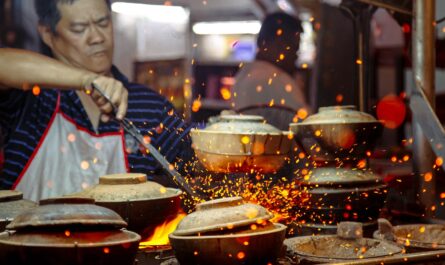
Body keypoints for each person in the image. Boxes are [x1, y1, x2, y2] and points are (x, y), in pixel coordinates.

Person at [0, 0, 194, 201]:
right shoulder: (33, 97)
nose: (97, 37)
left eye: (103, 23)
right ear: (48, 34)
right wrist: (87, 80)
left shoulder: (150, 107)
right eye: (79, 29)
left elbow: (196, 166)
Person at [230, 12, 309, 129]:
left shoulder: (243, 75)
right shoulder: (278, 80)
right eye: (293, 48)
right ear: (272, 44)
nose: (296, 56)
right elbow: (307, 130)